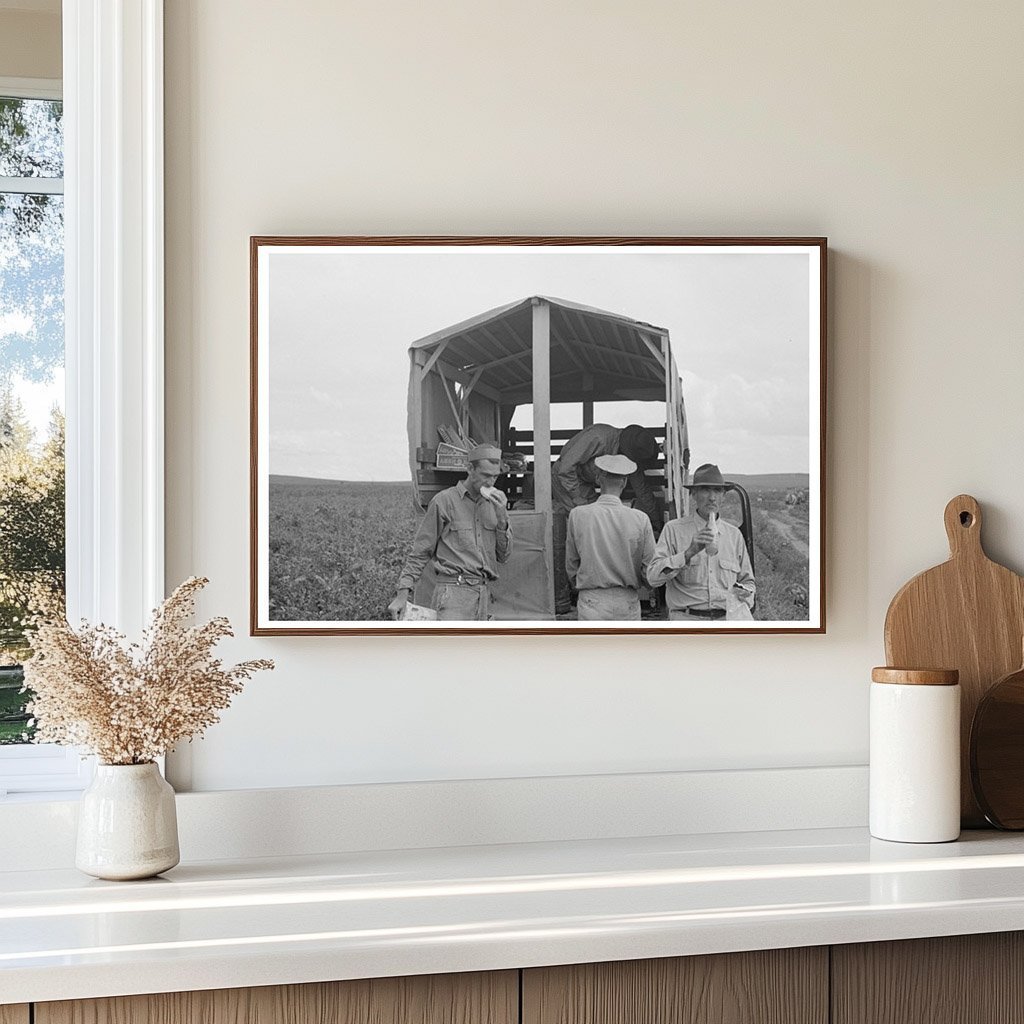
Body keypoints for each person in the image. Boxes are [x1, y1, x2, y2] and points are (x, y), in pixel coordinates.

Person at [388, 444, 512, 621]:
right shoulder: (444, 501)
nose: (490, 482)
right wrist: (402, 595)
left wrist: (502, 519)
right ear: (470, 469)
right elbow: (420, 552)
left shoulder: (497, 506)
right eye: (485, 475)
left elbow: (504, 556)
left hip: (483, 595)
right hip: (453, 594)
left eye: (495, 476)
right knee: (450, 647)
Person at [550, 423, 661, 615]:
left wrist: (656, 521)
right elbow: (565, 469)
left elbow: (641, 488)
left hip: (588, 486)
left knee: (599, 525)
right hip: (567, 481)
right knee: (579, 527)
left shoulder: (627, 455)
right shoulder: (598, 438)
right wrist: (579, 500)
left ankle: (597, 580)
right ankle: (562, 600)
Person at [647, 463, 755, 621]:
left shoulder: (734, 535)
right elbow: (653, 578)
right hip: (686, 620)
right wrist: (688, 553)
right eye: (705, 489)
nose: (712, 497)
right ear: (693, 494)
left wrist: (745, 594)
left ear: (723, 496)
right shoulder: (674, 530)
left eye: (717, 490)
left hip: (725, 621)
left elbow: (748, 581)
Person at [565, 454, 655, 621]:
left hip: (592, 599)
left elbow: (571, 563)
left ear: (599, 479)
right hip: (627, 600)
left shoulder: (577, 515)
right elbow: (649, 568)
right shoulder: (640, 519)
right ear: (624, 482)